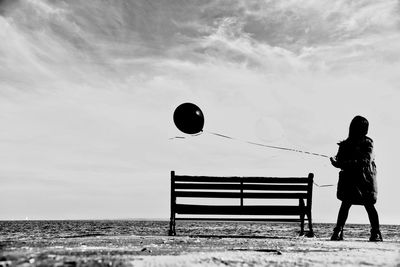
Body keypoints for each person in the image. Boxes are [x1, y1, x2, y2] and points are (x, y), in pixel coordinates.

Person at [330, 115, 382, 242]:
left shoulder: (367, 143)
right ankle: (339, 230)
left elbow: (366, 160)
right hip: (354, 181)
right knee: (347, 204)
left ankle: (375, 232)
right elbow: (340, 159)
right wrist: (337, 161)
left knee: (367, 205)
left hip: (365, 181)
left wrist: (342, 163)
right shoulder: (346, 144)